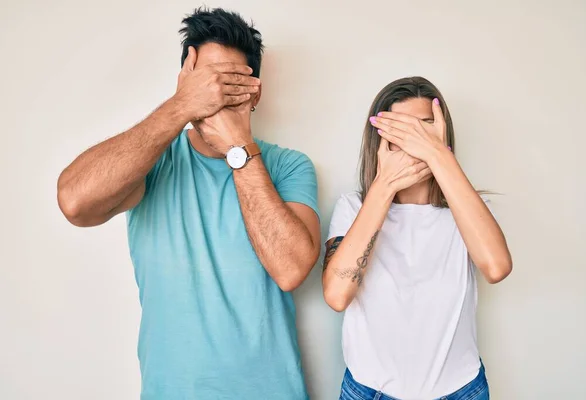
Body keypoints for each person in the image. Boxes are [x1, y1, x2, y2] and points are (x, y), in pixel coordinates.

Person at [57, 8, 321, 400]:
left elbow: (290, 270)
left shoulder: (289, 166)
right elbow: (75, 203)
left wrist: (238, 149)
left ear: (256, 93)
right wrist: (180, 107)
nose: (214, 97)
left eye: (229, 85)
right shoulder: (151, 161)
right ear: (184, 83)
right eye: (204, 84)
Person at [323, 77, 512, 400]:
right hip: (370, 390)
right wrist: (384, 187)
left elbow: (496, 268)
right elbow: (337, 295)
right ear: (380, 141)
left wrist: (439, 157)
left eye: (425, 130)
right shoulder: (353, 207)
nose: (415, 143)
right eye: (403, 132)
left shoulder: (467, 210)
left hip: (459, 390)